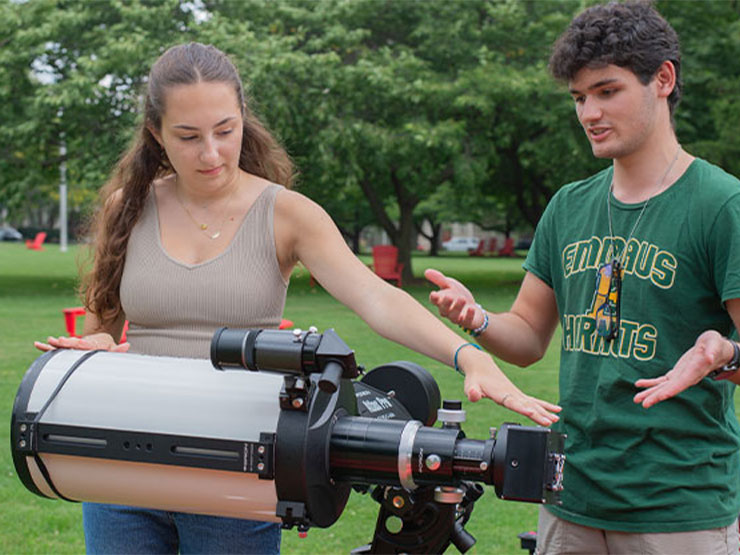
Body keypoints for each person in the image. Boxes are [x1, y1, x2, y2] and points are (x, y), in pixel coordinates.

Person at [33, 42, 559, 554]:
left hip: (237, 464)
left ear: (243, 116)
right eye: (188, 136)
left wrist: (470, 356)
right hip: (123, 457)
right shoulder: (129, 205)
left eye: (225, 131)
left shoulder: (285, 214)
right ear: (156, 132)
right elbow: (103, 321)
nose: (211, 152)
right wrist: (95, 341)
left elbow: (375, 298)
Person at [425, 3, 740, 554]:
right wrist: (478, 320)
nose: (589, 112)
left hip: (679, 508)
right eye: (578, 98)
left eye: (606, 91)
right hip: (569, 499)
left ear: (662, 79)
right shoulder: (569, 206)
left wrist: (724, 355)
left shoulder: (721, 204)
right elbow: (526, 337)